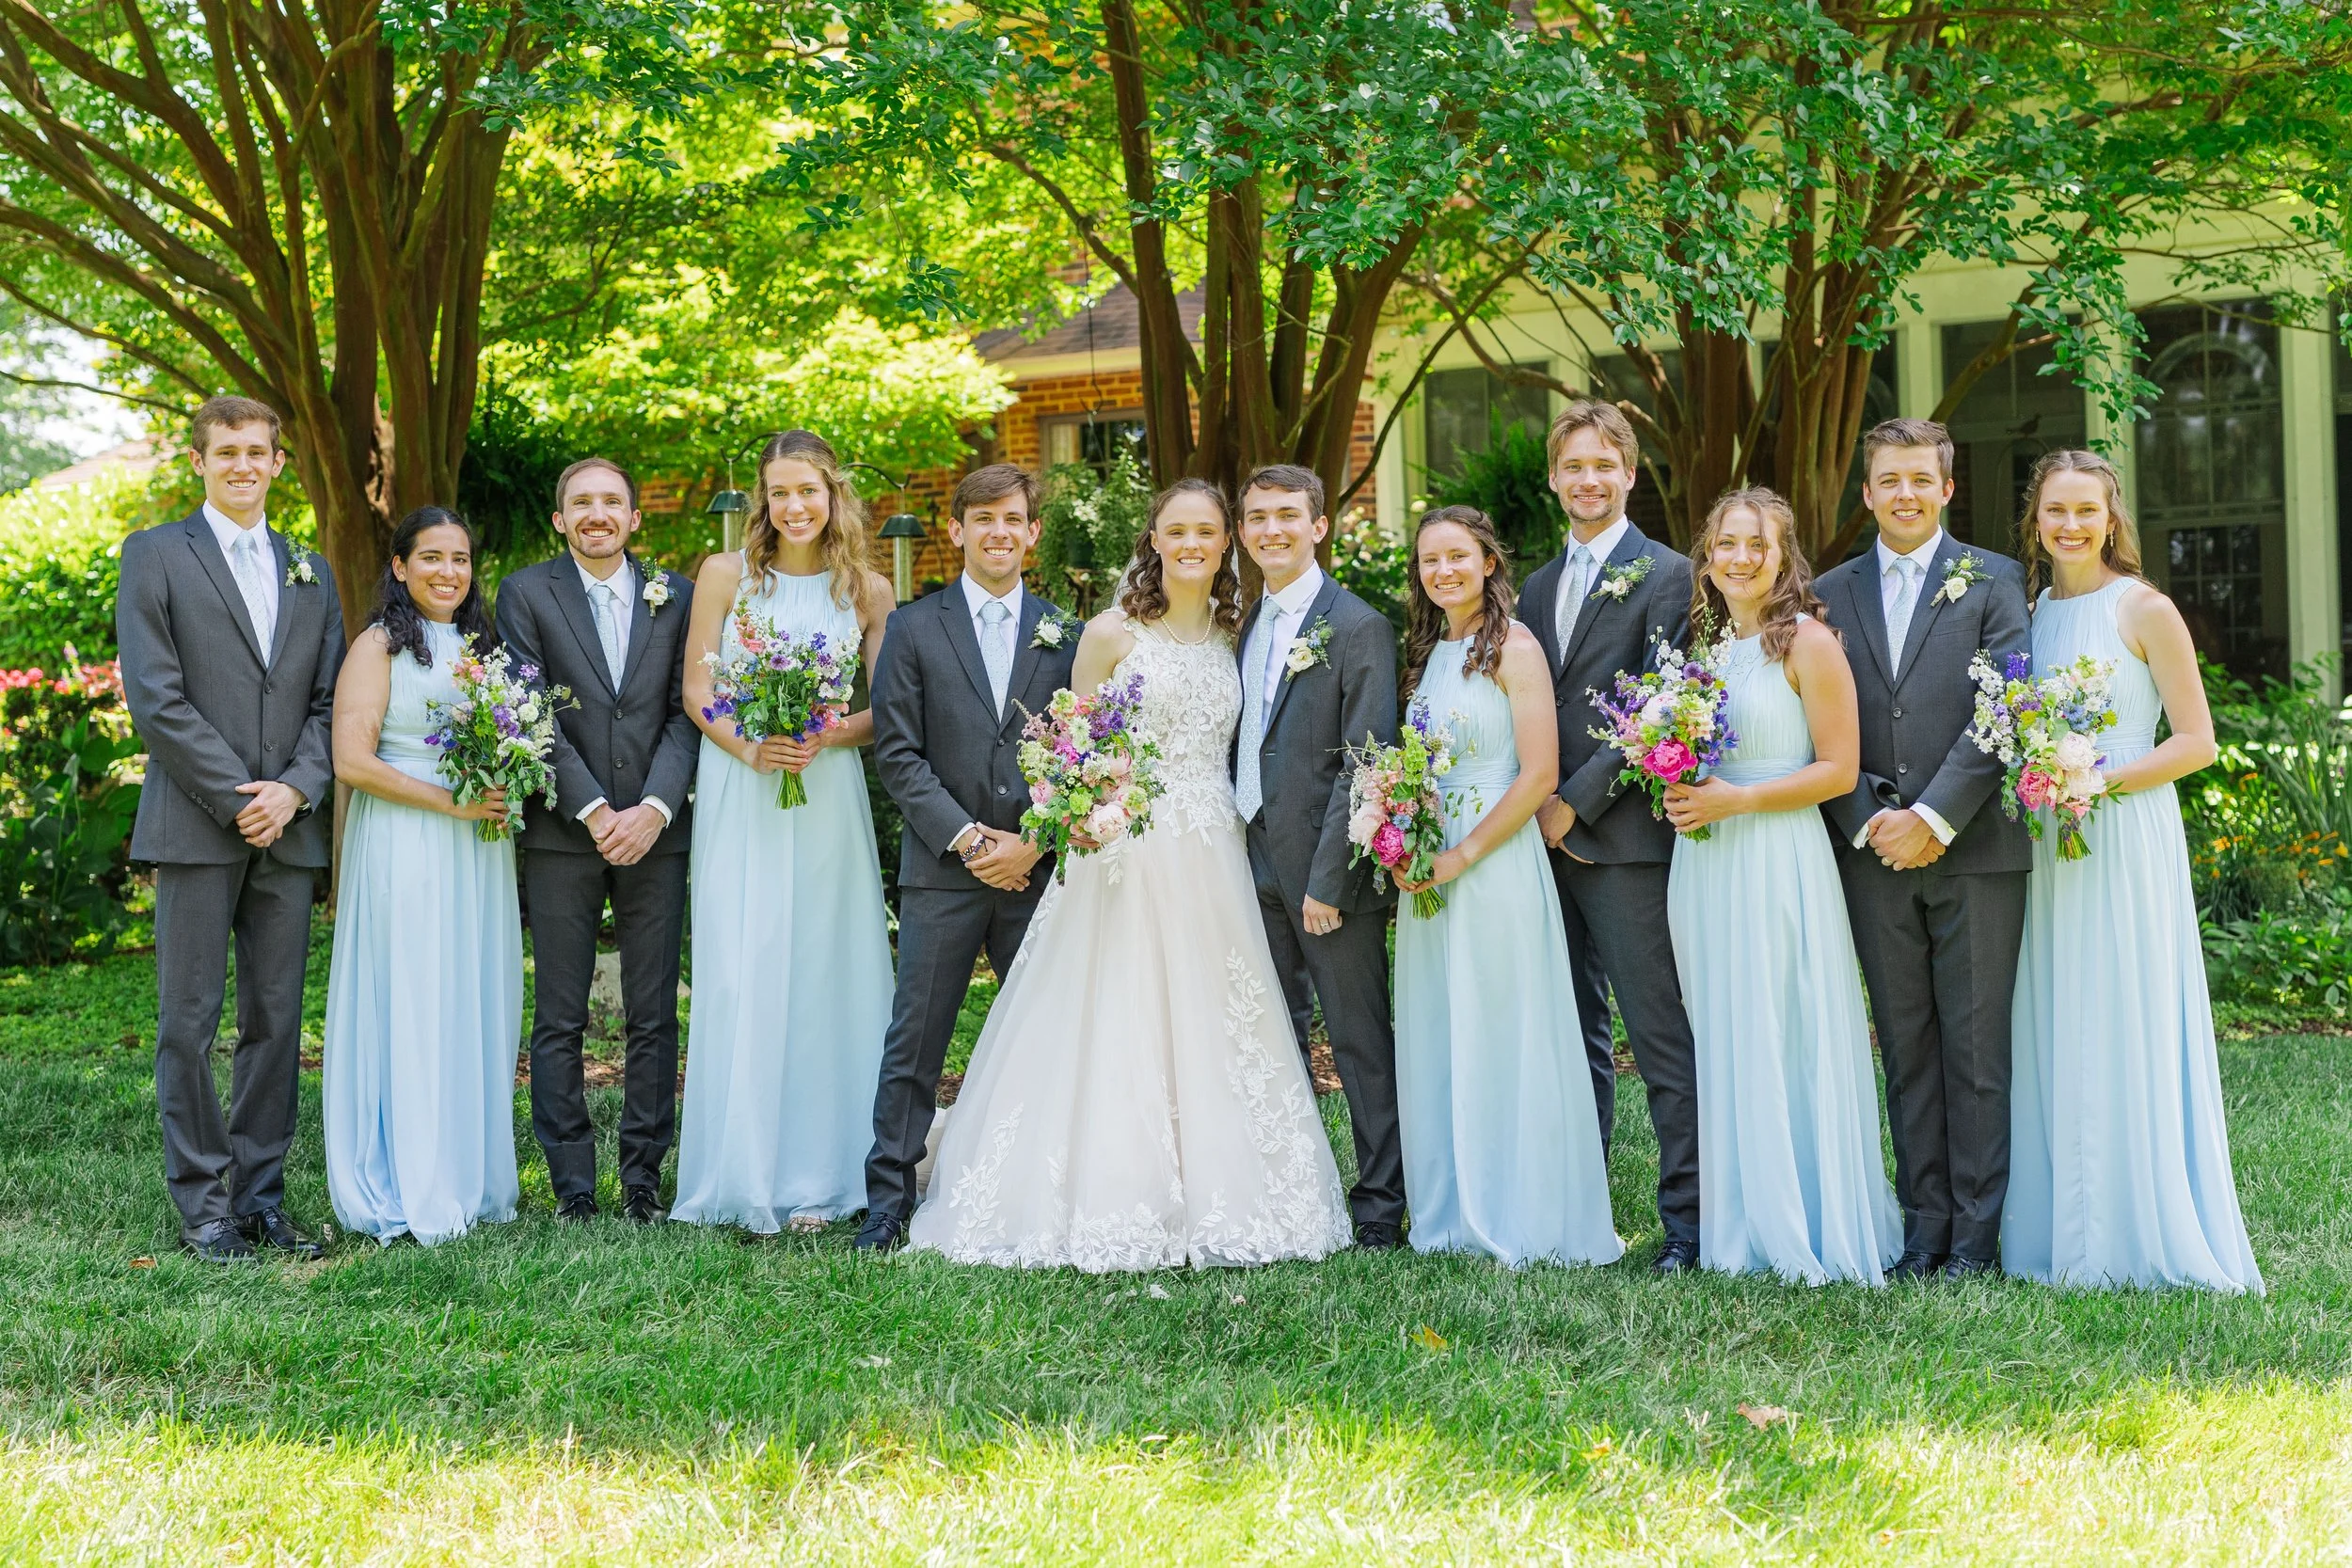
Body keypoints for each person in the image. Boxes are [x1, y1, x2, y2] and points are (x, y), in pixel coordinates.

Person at [905, 480, 1353, 1271]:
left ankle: (1227, 1187)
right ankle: (1101, 1187)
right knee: (1116, 1012)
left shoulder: (1236, 632)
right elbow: (1066, 756)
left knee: (1220, 1017)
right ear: (1154, 538)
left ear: (1225, 543)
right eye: (1175, 530)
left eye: (1205, 531)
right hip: (1124, 850)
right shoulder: (1111, 634)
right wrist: (1081, 816)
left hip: (1214, 849)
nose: (1190, 544)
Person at [2001, 451, 2262, 1292]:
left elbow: (2196, 742)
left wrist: (2099, 778)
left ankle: (2136, 1226)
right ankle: (2060, 1230)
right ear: (2033, 521)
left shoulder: (2144, 608)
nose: (2069, 526)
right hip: (2050, 834)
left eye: (2086, 511)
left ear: (2112, 519)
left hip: (2123, 830)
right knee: (2057, 1010)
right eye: (2054, 511)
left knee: (2123, 1009)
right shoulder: (2032, 611)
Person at [116, 396, 343, 1263]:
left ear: (280, 463)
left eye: (258, 451)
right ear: (200, 463)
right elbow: (156, 696)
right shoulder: (155, 555)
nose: (244, 464)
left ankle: (260, 1199)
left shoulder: (310, 571)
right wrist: (236, 795)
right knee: (188, 1019)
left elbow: (329, 702)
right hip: (196, 825)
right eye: (227, 452)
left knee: (277, 1021)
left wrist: (292, 791)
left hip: (287, 829)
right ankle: (203, 1207)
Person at [1662, 488, 1901, 1285]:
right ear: (1709, 554)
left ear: (1783, 554)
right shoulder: (1704, 647)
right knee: (1727, 1031)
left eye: (1755, 545)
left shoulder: (1806, 640)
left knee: (1782, 1025)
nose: (1738, 558)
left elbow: (1838, 769)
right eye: (1725, 544)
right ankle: (1741, 1223)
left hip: (1777, 856)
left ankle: (1805, 1220)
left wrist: (1741, 798)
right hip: (1707, 858)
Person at [1814, 419, 2030, 1281]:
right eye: (1888, 480)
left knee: (1975, 1051)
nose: (1905, 493)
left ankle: (1974, 1244)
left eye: (1921, 479)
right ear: (1866, 493)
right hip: (1871, 852)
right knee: (1905, 1045)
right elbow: (1816, 721)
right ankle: (1922, 1231)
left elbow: (2007, 708)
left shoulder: (1995, 579)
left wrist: (1934, 815)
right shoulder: (1829, 591)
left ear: (1947, 488)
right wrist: (1869, 817)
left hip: (1974, 851)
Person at [671, 430, 896, 1234]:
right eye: (778, 492)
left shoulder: (867, 589)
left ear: (833, 494)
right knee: (745, 961)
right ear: (761, 501)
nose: (793, 506)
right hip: (744, 784)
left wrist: (829, 734)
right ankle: (740, 1166)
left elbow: (891, 708)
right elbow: (698, 686)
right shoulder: (725, 576)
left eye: (808, 490)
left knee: (827, 964)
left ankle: (833, 1168)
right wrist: (748, 743)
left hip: (827, 791)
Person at [855, 464, 1078, 1252]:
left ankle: (1038, 1189)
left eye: (1013, 519)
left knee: (1047, 1038)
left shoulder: (1067, 631)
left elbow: (1082, 753)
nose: (998, 532)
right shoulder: (915, 628)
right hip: (942, 874)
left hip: (1036, 875)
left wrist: (1034, 840)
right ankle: (888, 1199)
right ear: (955, 530)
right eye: (982, 519)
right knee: (914, 1041)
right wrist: (973, 839)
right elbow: (899, 752)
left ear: (1033, 532)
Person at [1391, 506, 1620, 1268]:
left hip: (1493, 862)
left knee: (1503, 1025)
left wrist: (1464, 856)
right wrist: (1401, 832)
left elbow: (1540, 776)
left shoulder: (1513, 647)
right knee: (1443, 1027)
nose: (1443, 571)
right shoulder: (1429, 653)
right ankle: (1452, 1207)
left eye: (1458, 556)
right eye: (1429, 561)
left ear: (1489, 562)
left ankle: (1521, 1208)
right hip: (1430, 863)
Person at [1515, 399, 1704, 1273]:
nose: (1588, 480)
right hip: (1535, 847)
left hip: (1622, 840)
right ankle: (1580, 1211)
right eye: (1573, 466)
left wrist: (1572, 801)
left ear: (1629, 475)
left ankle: (1690, 1221)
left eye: (1605, 465)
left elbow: (1664, 706)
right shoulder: (1534, 586)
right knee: (1568, 1026)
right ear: (1554, 478)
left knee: (1658, 1031)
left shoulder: (1670, 575)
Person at [493, 458, 699, 1225]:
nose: (597, 513)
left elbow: (689, 710)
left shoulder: (677, 596)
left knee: (652, 1011)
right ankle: (573, 1184)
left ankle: (642, 1177)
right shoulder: (525, 593)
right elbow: (527, 706)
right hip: (562, 833)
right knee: (560, 1014)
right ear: (560, 519)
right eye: (581, 502)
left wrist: (652, 806)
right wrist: (591, 808)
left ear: (635, 516)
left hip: (657, 833)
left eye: (612, 501)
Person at [323, 508, 522, 1246]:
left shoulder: (481, 646)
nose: (449, 571)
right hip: (409, 838)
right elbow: (352, 760)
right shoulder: (378, 645)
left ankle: (467, 1170)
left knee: (470, 992)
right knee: (413, 994)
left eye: (461, 559)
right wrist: (450, 801)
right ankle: (408, 1175)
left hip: (478, 844)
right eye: (431, 557)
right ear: (400, 567)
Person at [1232, 463, 1407, 1248]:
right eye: (1258, 517)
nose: (1272, 529)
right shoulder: (1245, 623)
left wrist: (1329, 879)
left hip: (1325, 870)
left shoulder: (1358, 624)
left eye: (1287, 516)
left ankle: (1380, 1205)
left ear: (1319, 526)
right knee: (1275, 1032)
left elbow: (1365, 759)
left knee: (1359, 1039)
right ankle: (1302, 1193)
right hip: (1246, 858)